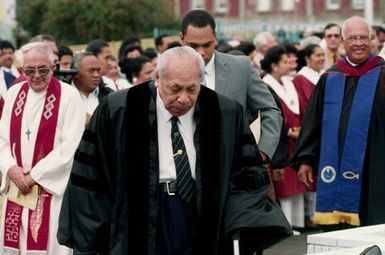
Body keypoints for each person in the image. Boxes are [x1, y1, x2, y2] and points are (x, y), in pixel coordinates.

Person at [57, 46, 292, 254]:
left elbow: (245, 177)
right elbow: (91, 179)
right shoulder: (119, 110)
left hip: (201, 210)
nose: (183, 99)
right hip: (139, 215)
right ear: (157, 78)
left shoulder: (225, 112)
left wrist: (241, 222)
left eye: (192, 89)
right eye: (175, 88)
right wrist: (93, 238)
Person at [292, 16, 385, 227]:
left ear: (372, 40)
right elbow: (314, 121)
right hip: (338, 162)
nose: (359, 43)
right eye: (353, 38)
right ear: (343, 42)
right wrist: (306, 159)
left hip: (376, 164)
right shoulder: (331, 77)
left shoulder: (382, 74)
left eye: (364, 37)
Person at [0, 42, 85, 254]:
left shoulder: (69, 96)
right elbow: (1, 140)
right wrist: (11, 169)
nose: (36, 75)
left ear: (53, 66)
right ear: (21, 69)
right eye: (29, 70)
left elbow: (70, 146)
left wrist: (33, 176)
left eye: (43, 69)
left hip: (49, 190)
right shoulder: (13, 94)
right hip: (17, 191)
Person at [179, 9, 282, 164]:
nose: (201, 52)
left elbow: (270, 109)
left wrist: (262, 151)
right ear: (182, 39)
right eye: (193, 46)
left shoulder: (240, 67)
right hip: (184, 169)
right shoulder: (167, 71)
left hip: (234, 169)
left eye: (207, 45)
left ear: (215, 38)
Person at [260, 45, 305, 231]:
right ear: (274, 66)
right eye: (285, 61)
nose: (289, 63)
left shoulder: (290, 82)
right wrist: (287, 130)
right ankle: (285, 225)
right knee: (284, 185)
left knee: (296, 183)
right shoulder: (266, 85)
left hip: (297, 141)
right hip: (281, 141)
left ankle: (298, 222)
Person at [71, 51, 114, 125]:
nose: (96, 75)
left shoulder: (110, 97)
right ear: (75, 73)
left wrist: (92, 122)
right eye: (91, 71)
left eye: (98, 70)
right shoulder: (61, 95)